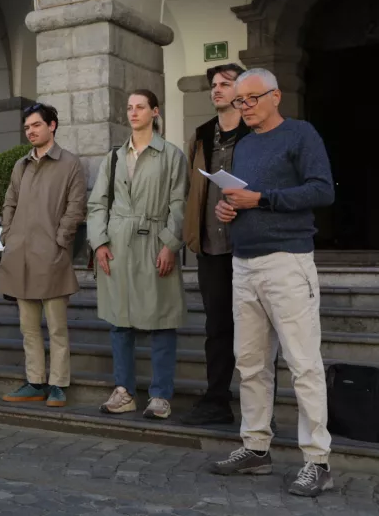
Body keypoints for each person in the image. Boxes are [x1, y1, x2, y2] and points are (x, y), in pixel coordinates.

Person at [208, 68, 335, 498]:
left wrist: (261, 199)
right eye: (238, 101)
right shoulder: (243, 146)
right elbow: (240, 197)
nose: (242, 107)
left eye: (250, 99)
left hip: (288, 261)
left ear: (275, 96)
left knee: (303, 364)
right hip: (243, 264)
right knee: (250, 364)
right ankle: (256, 447)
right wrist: (228, 210)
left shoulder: (301, 135)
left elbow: (322, 191)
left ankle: (318, 461)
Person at [87, 90, 188, 420]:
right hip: (117, 245)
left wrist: (170, 244)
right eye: (129, 107)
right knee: (120, 321)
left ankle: (160, 395)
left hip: (154, 241)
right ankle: (124, 391)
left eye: (140, 107)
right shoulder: (114, 157)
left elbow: (179, 204)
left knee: (162, 321)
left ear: (154, 111)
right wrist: (99, 243)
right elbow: (98, 203)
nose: (133, 113)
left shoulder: (171, 155)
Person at [0, 104, 86, 406]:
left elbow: (76, 207)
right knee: (29, 327)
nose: (31, 131)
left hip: (52, 257)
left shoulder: (69, 164)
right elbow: (9, 201)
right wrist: (7, 236)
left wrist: (60, 241)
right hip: (20, 255)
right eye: (27, 127)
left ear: (52, 126)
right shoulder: (20, 165)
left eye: (36, 125)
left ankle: (58, 384)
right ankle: (35, 381)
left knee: (57, 327)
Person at [181, 63, 251, 426]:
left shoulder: (254, 132)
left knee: (255, 328)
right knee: (217, 327)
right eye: (213, 85)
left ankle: (258, 408)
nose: (217, 89)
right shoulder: (202, 134)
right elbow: (192, 189)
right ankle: (217, 399)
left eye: (225, 84)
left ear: (242, 90)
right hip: (210, 245)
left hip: (248, 246)